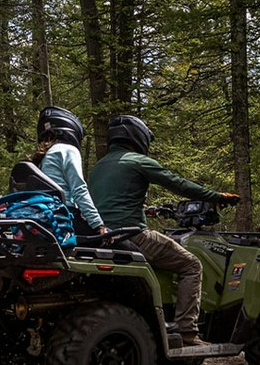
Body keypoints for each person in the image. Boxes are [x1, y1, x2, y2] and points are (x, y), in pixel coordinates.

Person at [88, 115, 240, 346]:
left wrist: (147, 210)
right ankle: (187, 330)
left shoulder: (99, 166)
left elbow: (112, 201)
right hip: (134, 236)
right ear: (137, 138)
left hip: (103, 237)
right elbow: (178, 183)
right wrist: (217, 197)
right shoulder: (138, 161)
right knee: (192, 265)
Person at [31, 106, 107, 235]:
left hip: (46, 219)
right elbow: (79, 188)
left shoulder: (44, 156)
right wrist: (98, 224)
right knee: (127, 247)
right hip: (65, 218)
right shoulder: (67, 149)